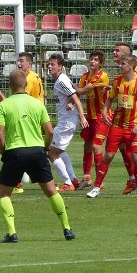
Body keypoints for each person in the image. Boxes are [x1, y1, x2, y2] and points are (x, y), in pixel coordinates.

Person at [0, 69, 75, 243]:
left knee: (4, 193)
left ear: (9, 86)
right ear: (26, 85)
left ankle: (12, 233)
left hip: (15, 152)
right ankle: (67, 228)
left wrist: (3, 152)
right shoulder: (37, 104)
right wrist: (45, 147)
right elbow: (50, 131)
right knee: (52, 191)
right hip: (37, 151)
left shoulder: (4, 105)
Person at [87, 54, 137, 199]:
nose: (120, 66)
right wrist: (105, 111)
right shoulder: (117, 82)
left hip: (134, 127)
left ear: (131, 66)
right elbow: (110, 99)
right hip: (117, 125)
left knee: (136, 158)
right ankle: (96, 187)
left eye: (123, 64)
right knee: (108, 155)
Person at [110, 42, 137, 194]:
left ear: (125, 54)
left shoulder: (136, 73)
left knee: (132, 151)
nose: (114, 53)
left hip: (133, 120)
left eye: (117, 51)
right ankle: (134, 177)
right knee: (122, 148)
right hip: (122, 120)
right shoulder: (122, 75)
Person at [47, 54, 89, 191]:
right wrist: (70, 103)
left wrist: (82, 116)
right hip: (67, 121)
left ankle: (67, 183)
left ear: (60, 67)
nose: (49, 66)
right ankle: (73, 180)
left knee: (51, 153)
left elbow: (76, 97)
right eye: (49, 64)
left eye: (53, 64)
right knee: (59, 151)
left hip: (67, 123)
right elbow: (74, 94)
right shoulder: (61, 80)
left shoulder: (61, 80)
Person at [75, 51, 110, 190]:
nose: (93, 62)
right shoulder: (85, 76)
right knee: (87, 145)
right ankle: (86, 178)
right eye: (91, 59)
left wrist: (76, 89)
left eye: (96, 60)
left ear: (100, 63)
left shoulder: (102, 76)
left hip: (101, 117)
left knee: (96, 146)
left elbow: (82, 91)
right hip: (90, 117)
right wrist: (73, 100)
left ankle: (99, 181)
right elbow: (79, 92)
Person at [13, 52, 45, 193]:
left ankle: (18, 183)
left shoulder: (30, 79)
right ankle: (39, 179)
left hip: (30, 119)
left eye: (22, 61)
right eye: (18, 61)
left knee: (20, 150)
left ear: (29, 64)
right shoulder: (30, 77)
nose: (19, 64)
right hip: (31, 119)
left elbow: (23, 98)